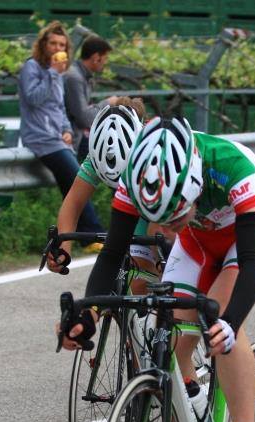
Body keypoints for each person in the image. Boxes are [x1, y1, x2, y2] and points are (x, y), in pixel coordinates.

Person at [58, 116, 255, 422]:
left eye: (175, 215)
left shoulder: (232, 168)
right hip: (198, 240)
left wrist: (228, 321)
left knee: (221, 322)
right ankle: (196, 411)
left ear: (195, 185)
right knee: (163, 328)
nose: (164, 230)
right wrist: (89, 313)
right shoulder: (138, 176)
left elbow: (250, 264)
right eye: (157, 220)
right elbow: (113, 252)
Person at [47, 97, 165, 292]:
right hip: (129, 207)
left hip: (160, 207)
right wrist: (63, 247)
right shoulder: (100, 151)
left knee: (153, 273)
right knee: (123, 276)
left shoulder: (156, 147)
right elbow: (73, 204)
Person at [18, 20, 101, 235]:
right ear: (44, 45)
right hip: (40, 138)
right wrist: (53, 73)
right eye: (53, 43)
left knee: (71, 186)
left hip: (57, 138)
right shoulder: (32, 67)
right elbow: (33, 98)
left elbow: (58, 107)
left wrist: (65, 129)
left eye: (62, 45)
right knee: (78, 180)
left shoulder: (56, 73)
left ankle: (77, 234)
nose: (57, 48)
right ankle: (92, 233)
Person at [64, 34, 113, 162]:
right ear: (96, 58)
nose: (105, 62)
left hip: (77, 139)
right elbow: (84, 118)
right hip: (70, 142)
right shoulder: (75, 78)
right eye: (105, 58)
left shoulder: (83, 75)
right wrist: (109, 103)